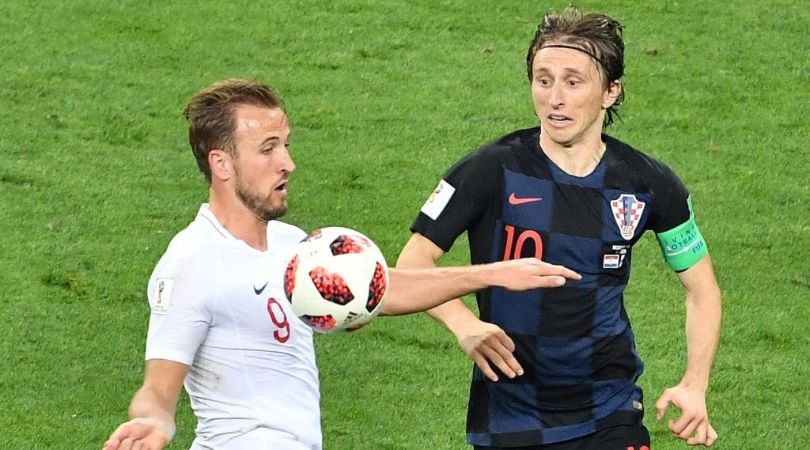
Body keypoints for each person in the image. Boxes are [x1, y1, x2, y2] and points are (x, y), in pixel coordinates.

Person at [102, 79, 581, 450]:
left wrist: (493, 274)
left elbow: (382, 288)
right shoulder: (191, 262)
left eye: (285, 144)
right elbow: (159, 389)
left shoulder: (293, 247)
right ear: (221, 164)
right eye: (268, 149)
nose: (287, 162)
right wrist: (153, 421)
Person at [396, 7, 722, 450]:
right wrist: (463, 324)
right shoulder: (492, 170)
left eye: (573, 81)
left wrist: (694, 383)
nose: (555, 98)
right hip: (510, 419)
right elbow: (414, 260)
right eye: (543, 79)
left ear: (610, 92)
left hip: (610, 410)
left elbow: (701, 286)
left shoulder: (646, 183)